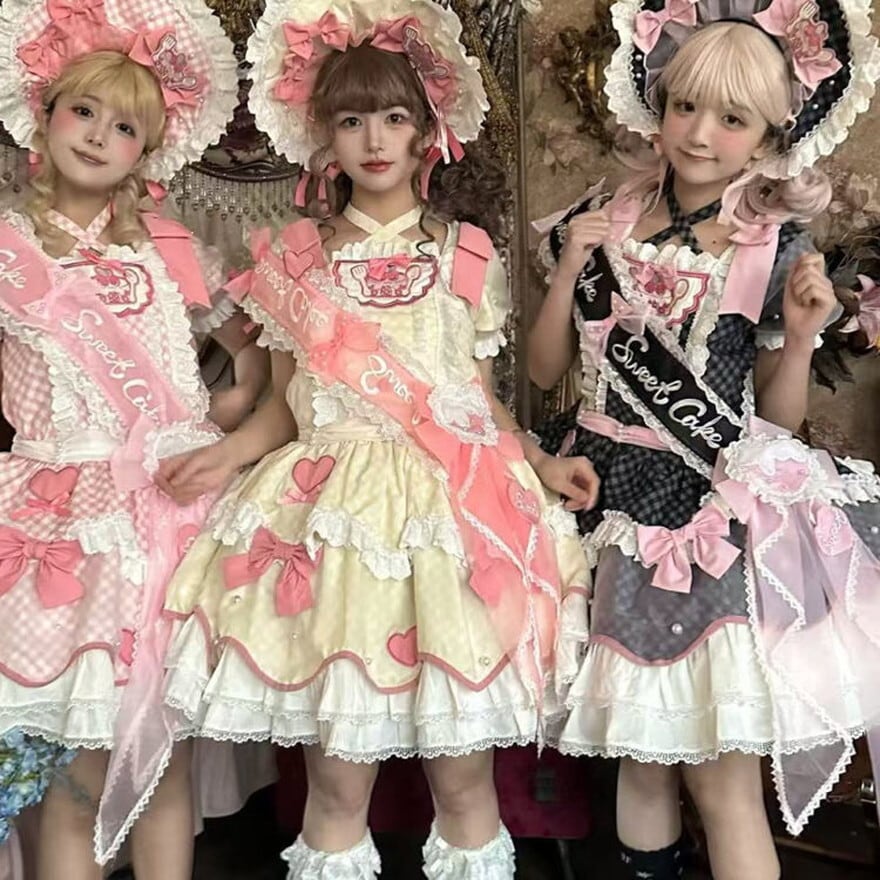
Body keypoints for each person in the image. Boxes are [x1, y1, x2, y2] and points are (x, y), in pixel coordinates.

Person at [157, 0, 594, 876]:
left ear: (428, 128)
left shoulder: (468, 253)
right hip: (335, 527)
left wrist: (541, 461)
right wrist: (226, 454)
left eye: (395, 117)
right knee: (335, 787)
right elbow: (286, 406)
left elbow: (476, 401)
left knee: (465, 783)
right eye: (352, 119)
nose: (375, 139)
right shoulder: (291, 255)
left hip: (452, 521)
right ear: (323, 133)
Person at [529, 2, 880, 879]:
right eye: (686, 106)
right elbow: (543, 372)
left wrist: (801, 336)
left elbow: (778, 421)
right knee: (641, 757)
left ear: (769, 135)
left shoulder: (773, 248)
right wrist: (568, 269)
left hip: (700, 514)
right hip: (593, 495)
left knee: (721, 775)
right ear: (658, 102)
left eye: (732, 119)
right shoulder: (599, 218)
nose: (699, 133)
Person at [0, 0, 267, 876]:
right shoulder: (6, 249)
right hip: (63, 521)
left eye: (123, 127)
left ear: (145, 152)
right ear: (44, 115)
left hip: (175, 517)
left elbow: (256, 355)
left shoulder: (171, 246)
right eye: (83, 110)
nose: (97, 136)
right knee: (77, 768)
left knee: (164, 760)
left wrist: (225, 415)